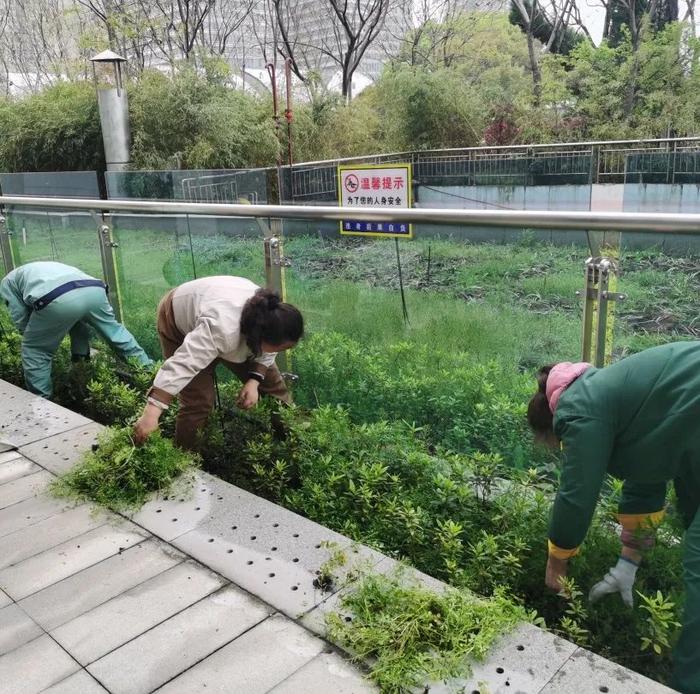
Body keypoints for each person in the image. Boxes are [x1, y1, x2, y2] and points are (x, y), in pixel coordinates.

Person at [527, 341, 700, 694]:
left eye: (555, 446)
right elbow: (647, 477)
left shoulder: (580, 409)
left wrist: (556, 563)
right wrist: (627, 564)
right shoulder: (613, 401)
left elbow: (577, 493)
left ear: (552, 427)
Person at [132, 276, 303, 450]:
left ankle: (295, 443)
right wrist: (151, 414)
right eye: (277, 348)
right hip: (178, 321)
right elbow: (184, 364)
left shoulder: (271, 315)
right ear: (258, 337)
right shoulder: (224, 329)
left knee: (273, 385)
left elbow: (269, 351)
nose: (276, 353)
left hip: (217, 313)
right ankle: (186, 460)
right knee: (199, 401)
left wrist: (254, 380)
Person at [0, 261, 152, 398]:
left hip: (57, 298)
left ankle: (43, 404)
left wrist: (33, 335)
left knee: (35, 350)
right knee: (115, 333)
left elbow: (20, 316)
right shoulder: (39, 267)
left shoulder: (6, 282)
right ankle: (150, 374)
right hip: (94, 289)